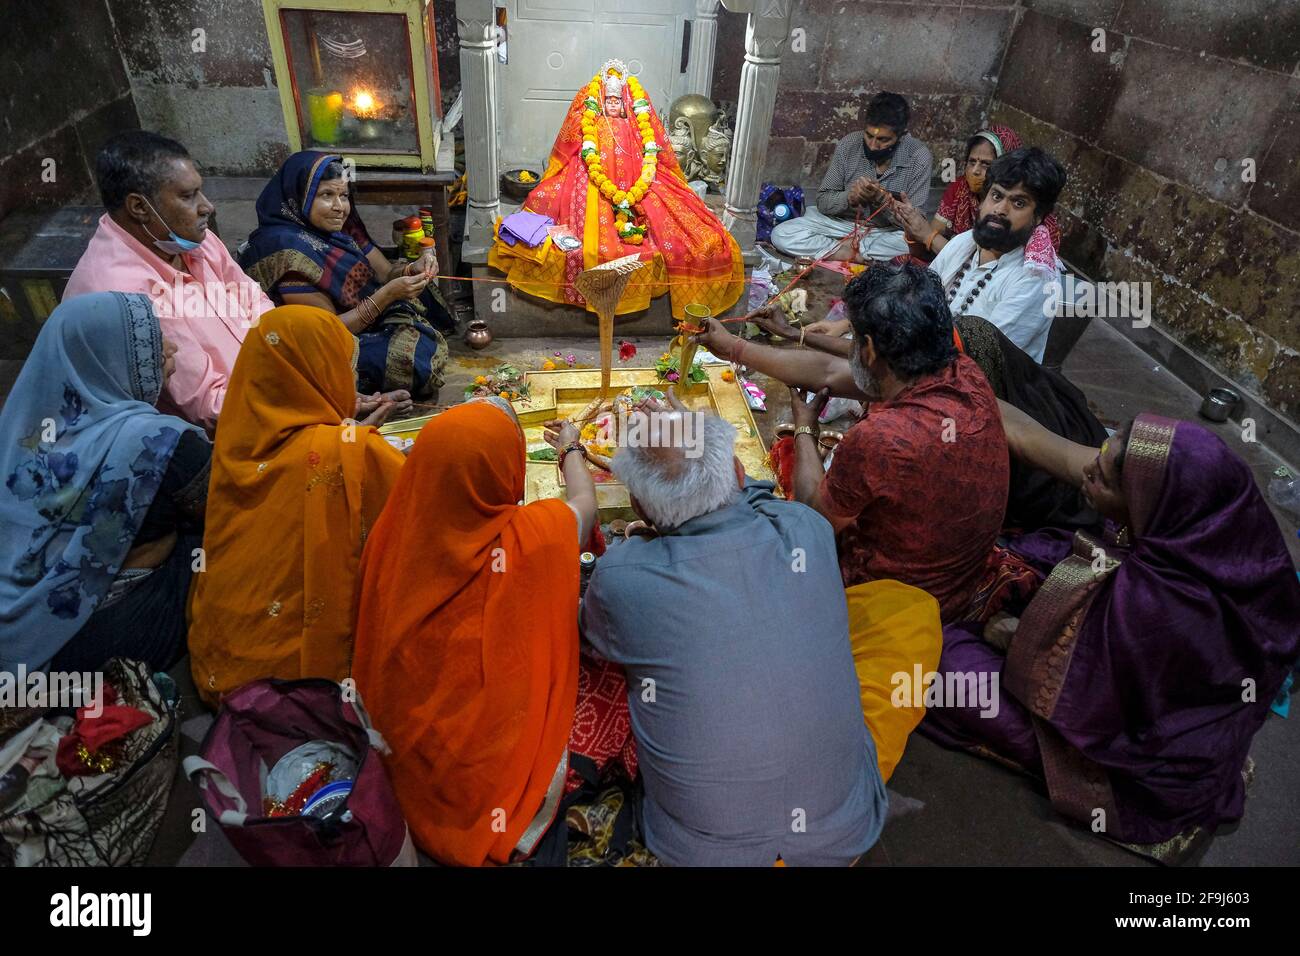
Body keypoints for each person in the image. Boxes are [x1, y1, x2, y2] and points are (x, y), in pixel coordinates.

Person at [922, 408, 1300, 857]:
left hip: (1135, 769)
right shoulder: (1230, 533)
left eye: (1102, 479)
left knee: (944, 660)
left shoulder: (1158, 607)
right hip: (1197, 730)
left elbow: (1072, 697)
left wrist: (1012, 635)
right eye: (1098, 457)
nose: (1087, 472)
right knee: (1036, 552)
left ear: (1147, 501)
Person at [580, 396, 899, 866]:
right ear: (736, 471)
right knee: (905, 608)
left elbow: (591, 639)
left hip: (696, 853)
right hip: (844, 833)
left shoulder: (622, 578)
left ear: (636, 505)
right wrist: (690, 438)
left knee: (595, 678)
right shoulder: (806, 529)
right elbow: (758, 498)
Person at [352, 399, 611, 866]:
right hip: (484, 774)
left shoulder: (390, 534)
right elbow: (585, 507)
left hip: (404, 760)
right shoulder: (529, 538)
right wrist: (571, 449)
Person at [694, 264, 1011, 623]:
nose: (851, 349)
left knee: (738, 521)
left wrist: (804, 431)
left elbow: (814, 520)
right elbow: (827, 372)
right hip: (957, 581)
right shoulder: (963, 372)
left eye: (856, 339)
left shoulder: (883, 439)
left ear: (871, 350)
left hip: (888, 602)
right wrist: (734, 347)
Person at [187, 305, 406, 708]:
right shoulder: (345, 452)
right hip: (304, 689)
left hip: (223, 672)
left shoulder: (235, 443)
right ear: (318, 374)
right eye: (345, 369)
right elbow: (427, 503)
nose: (350, 381)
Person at [751, 301, 1108, 530]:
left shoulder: (930, 424)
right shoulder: (956, 382)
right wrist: (783, 336)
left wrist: (804, 431)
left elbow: (816, 521)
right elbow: (835, 370)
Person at [0, 292, 209, 673]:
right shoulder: (158, 441)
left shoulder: (20, 425)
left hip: (16, 637)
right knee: (222, 542)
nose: (169, 345)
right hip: (97, 645)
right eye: (151, 336)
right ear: (116, 357)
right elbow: (238, 504)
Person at [488, 58, 745, 320]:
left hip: (639, 186)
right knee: (547, 201)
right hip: (590, 179)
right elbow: (571, 147)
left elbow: (651, 154)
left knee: (689, 232)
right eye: (608, 101)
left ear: (625, 104)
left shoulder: (633, 126)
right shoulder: (593, 123)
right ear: (600, 102)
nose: (612, 105)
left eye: (617, 101)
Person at [63, 131, 272, 433]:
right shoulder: (127, 295)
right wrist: (292, 398)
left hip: (266, 388)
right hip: (219, 432)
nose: (207, 207)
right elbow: (207, 405)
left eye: (200, 192)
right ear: (139, 207)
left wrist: (290, 356)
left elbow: (254, 299)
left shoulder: (189, 239)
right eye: (188, 197)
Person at [239, 151, 452, 401]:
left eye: (343, 196)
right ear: (299, 198)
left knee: (424, 294)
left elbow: (384, 272)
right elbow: (330, 331)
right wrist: (388, 295)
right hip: (325, 342)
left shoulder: (342, 226)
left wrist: (412, 269)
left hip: (363, 317)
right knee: (411, 359)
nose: (339, 207)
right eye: (326, 195)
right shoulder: (287, 251)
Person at [770, 92, 933, 263]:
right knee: (782, 233)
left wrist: (884, 203)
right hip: (838, 224)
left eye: (883, 139)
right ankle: (849, 253)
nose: (873, 145)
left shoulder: (919, 156)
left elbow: (918, 225)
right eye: (869, 136)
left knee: (910, 245)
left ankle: (841, 249)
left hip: (884, 231)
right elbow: (823, 200)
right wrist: (850, 197)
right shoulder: (849, 144)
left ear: (901, 136)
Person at [894, 124, 1061, 263]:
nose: (975, 171)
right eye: (972, 162)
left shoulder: (1039, 229)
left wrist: (928, 235)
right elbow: (927, 244)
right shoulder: (960, 188)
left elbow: (982, 266)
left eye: (986, 164)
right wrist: (913, 228)